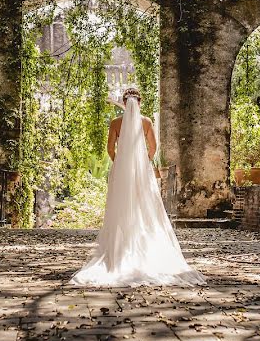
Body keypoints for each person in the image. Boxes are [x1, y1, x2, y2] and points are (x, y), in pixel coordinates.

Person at [70, 87, 206, 287]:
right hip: (142, 172)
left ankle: (119, 250)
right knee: (146, 207)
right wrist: (144, 162)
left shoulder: (116, 123)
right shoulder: (146, 122)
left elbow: (110, 149)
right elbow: (153, 147)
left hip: (122, 172)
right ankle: (147, 246)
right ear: (139, 103)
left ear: (124, 103)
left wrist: (120, 163)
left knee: (121, 207)